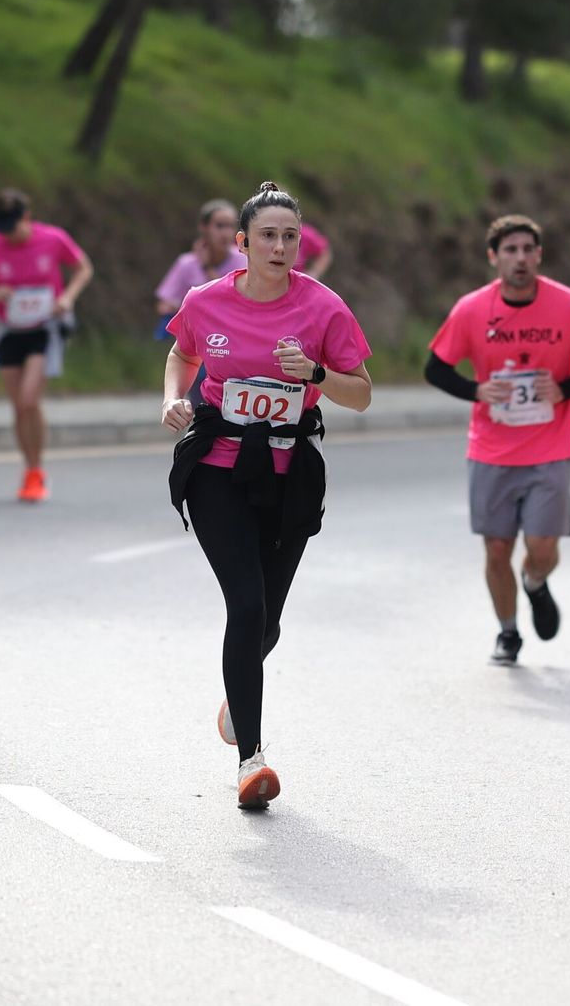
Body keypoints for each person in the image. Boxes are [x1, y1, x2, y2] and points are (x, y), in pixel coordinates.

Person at [161, 181, 372, 810]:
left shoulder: (324, 308)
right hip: (218, 468)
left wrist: (316, 374)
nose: (280, 247)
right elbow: (181, 353)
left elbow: (361, 392)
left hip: (289, 473)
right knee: (247, 607)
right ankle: (251, 761)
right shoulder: (206, 300)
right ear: (242, 243)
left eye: (290, 237)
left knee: (268, 620)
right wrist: (173, 399)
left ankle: (238, 688)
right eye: (268, 236)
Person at [424, 214, 570, 666]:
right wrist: (477, 391)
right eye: (510, 250)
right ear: (494, 257)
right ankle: (508, 632)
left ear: (539, 255)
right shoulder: (471, 309)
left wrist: (564, 389)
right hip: (491, 449)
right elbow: (435, 369)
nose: (520, 258)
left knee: (543, 547)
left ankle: (535, 582)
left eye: (529, 249)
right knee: (496, 548)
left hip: (550, 446)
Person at [0, 189, 94, 502]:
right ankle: (29, 470)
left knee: (29, 399)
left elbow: (83, 267)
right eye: (3, 228)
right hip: (9, 329)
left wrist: (67, 298)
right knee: (17, 405)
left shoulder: (52, 239)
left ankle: (38, 468)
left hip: (44, 328)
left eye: (12, 226)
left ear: (26, 217)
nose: (8, 234)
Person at [154, 198, 247, 340]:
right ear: (204, 227)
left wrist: (207, 267)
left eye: (230, 226)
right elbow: (164, 305)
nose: (225, 233)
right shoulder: (186, 263)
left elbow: (236, 302)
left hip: (231, 335)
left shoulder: (243, 260)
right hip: (194, 334)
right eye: (220, 226)